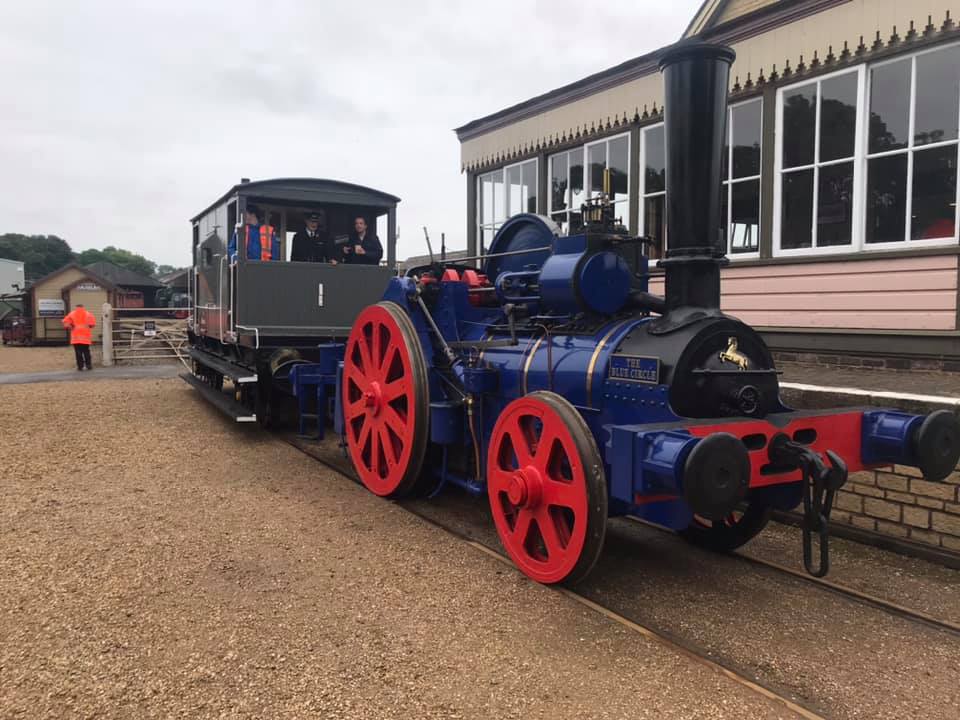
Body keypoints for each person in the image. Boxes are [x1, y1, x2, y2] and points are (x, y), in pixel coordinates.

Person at [62, 303, 96, 370]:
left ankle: (80, 366)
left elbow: (65, 323)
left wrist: (71, 327)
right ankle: (88, 365)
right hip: (85, 337)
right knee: (86, 351)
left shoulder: (71, 314)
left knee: (78, 352)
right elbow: (92, 324)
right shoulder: (88, 314)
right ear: (83, 307)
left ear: (76, 307)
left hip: (76, 337)